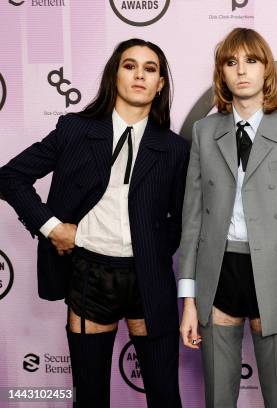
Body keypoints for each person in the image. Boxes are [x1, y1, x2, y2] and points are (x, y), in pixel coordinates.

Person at [0, 39, 188, 407]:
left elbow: (182, 221)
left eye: (150, 69)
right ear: (114, 74)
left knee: (165, 396)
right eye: (129, 65)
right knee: (90, 398)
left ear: (160, 84)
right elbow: (10, 178)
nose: (139, 75)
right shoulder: (75, 130)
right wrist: (52, 227)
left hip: (149, 278)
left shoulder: (175, 149)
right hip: (90, 275)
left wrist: (152, 248)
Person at [177, 27, 277, 408]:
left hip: (274, 277)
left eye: (251, 61)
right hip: (217, 274)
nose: (241, 70)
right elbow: (192, 222)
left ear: (266, 70)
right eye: (231, 62)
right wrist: (188, 300)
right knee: (218, 399)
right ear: (221, 73)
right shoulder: (204, 132)